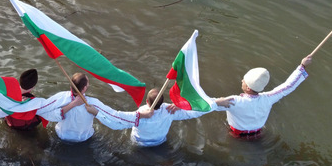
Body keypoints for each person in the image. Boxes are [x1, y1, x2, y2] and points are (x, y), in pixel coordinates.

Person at [87, 89, 228, 147]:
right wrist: (216, 103)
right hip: (160, 143)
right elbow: (194, 112)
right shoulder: (169, 110)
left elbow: (117, 120)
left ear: (147, 102)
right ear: (162, 101)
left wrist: (97, 113)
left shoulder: (139, 114)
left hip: (139, 144)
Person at [214, 56, 313, 137]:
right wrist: (302, 66)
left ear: (248, 88)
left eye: (243, 80)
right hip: (258, 135)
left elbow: (206, 105)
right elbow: (288, 86)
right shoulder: (269, 98)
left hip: (235, 135)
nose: (241, 81)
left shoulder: (233, 101)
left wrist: (217, 102)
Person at [35, 73, 115, 143]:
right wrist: (96, 113)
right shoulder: (93, 103)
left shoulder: (61, 97)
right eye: (88, 83)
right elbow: (106, 120)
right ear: (84, 88)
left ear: (71, 86)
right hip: (84, 138)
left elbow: (44, 108)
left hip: (62, 136)